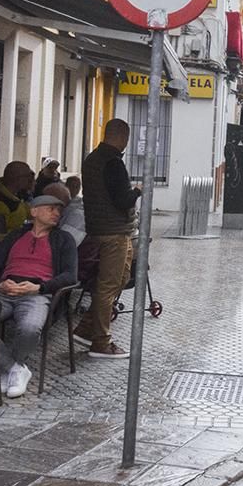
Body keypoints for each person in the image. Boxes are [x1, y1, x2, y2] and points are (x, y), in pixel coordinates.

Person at [0, 194, 78, 398]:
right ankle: (15, 369)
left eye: (58, 210)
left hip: (36, 294)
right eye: (51, 208)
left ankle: (9, 371)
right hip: (4, 291)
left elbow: (71, 275)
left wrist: (40, 288)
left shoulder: (64, 239)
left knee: (30, 328)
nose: (57, 213)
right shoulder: (15, 236)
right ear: (34, 211)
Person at [74, 118, 139, 360]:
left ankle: (85, 327)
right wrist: (138, 191)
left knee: (120, 277)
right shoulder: (113, 163)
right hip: (114, 232)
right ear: (123, 138)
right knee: (109, 285)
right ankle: (101, 341)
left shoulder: (92, 159)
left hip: (99, 228)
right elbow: (123, 200)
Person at [0, 161, 35, 232]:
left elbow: (28, 212)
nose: (30, 180)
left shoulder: (13, 195)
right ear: (17, 178)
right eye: (27, 176)